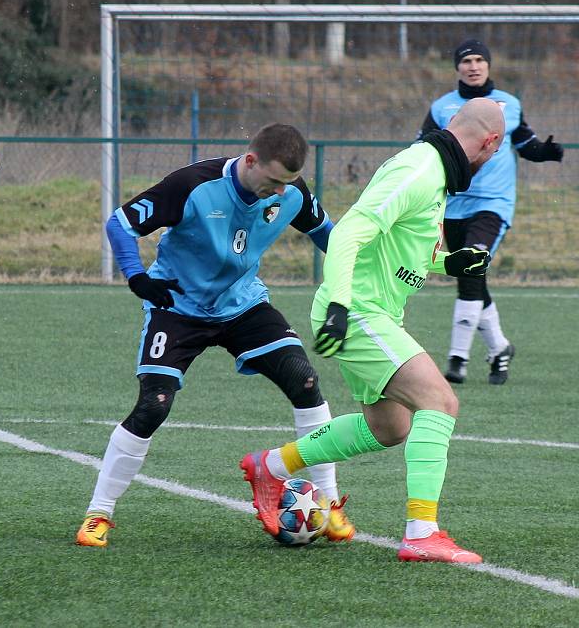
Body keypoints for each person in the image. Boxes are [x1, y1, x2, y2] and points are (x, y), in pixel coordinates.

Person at [241, 98, 504, 563]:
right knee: (440, 402)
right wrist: (341, 303)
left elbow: (399, 250)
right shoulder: (420, 170)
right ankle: (422, 533)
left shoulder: (436, 174)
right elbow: (349, 232)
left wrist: (449, 262)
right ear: (491, 143)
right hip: (359, 311)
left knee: (390, 427)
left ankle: (272, 465)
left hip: (373, 311)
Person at [76, 123, 354, 547]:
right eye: (273, 181)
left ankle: (331, 506)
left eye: (287, 183)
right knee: (153, 406)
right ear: (250, 161)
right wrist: (136, 277)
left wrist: (348, 292)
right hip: (178, 307)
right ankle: (99, 513)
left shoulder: (291, 192)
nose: (280, 193)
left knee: (306, 380)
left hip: (243, 305)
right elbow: (120, 224)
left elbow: (332, 239)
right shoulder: (193, 186)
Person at [417, 39, 564, 385]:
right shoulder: (442, 108)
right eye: (466, 60)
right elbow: (423, 148)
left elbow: (525, 143)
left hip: (492, 205)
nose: (473, 66)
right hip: (453, 205)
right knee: (470, 275)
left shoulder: (509, 104)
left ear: (489, 65)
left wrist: (546, 152)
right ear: (457, 68)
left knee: (471, 268)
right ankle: (499, 347)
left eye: (480, 59)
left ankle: (458, 360)